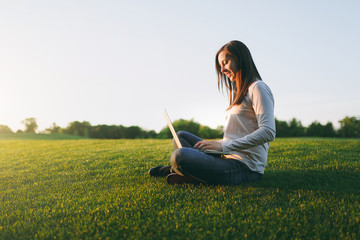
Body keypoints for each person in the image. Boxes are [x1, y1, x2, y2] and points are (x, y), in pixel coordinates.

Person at [149, 40, 276, 185]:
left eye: (226, 63)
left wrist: (223, 147)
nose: (222, 70)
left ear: (240, 59)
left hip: (245, 167)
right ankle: (189, 172)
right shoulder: (239, 94)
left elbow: (268, 132)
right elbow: (237, 135)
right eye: (220, 66)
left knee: (180, 155)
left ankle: (183, 171)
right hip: (226, 156)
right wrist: (217, 144)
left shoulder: (258, 88)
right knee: (181, 136)